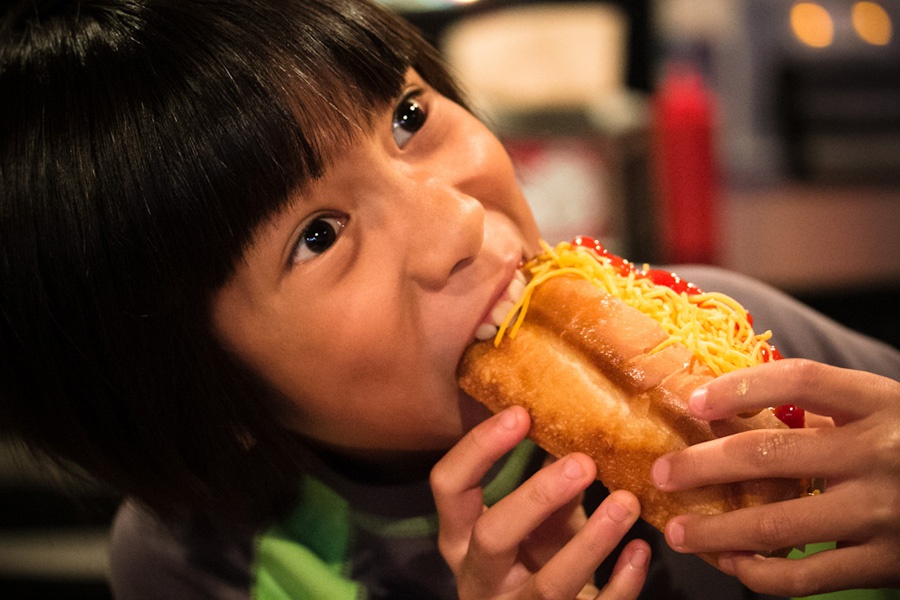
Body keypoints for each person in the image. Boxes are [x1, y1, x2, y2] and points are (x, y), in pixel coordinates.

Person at [0, 1, 897, 599]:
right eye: (318, 235)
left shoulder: (744, 352)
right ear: (198, 393)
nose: (457, 224)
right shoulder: (188, 562)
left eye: (408, 118)